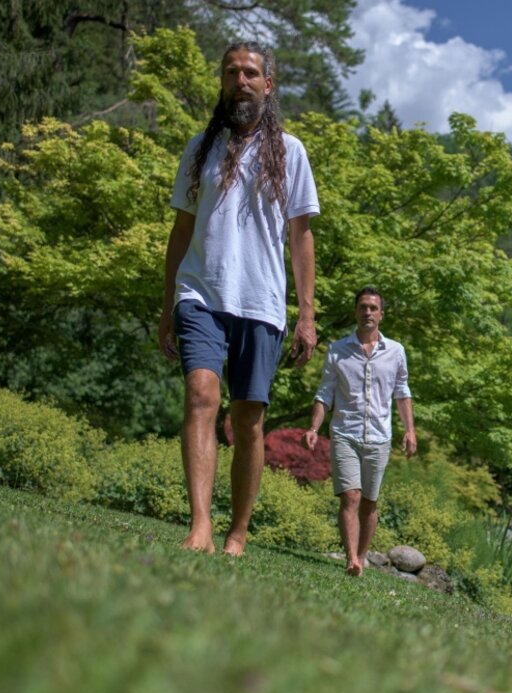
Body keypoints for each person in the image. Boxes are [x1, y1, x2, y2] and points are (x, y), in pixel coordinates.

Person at [157, 41, 319, 556]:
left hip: (261, 300)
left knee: (247, 421)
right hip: (199, 291)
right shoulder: (199, 148)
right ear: (222, 82)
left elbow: (301, 236)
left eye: (251, 73)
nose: (241, 80)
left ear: (268, 85)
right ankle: (200, 525)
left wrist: (307, 315)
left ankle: (238, 531)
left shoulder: (290, 152)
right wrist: (167, 305)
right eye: (232, 73)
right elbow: (181, 230)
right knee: (201, 395)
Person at [304, 287, 416, 576]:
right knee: (351, 496)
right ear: (356, 312)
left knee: (369, 501)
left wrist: (410, 431)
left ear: (381, 314)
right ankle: (351, 557)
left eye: (373, 308)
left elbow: (402, 393)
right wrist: (315, 427)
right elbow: (324, 393)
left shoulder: (396, 351)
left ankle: (363, 556)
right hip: (345, 432)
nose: (368, 312)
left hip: (380, 436)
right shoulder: (338, 351)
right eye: (363, 307)